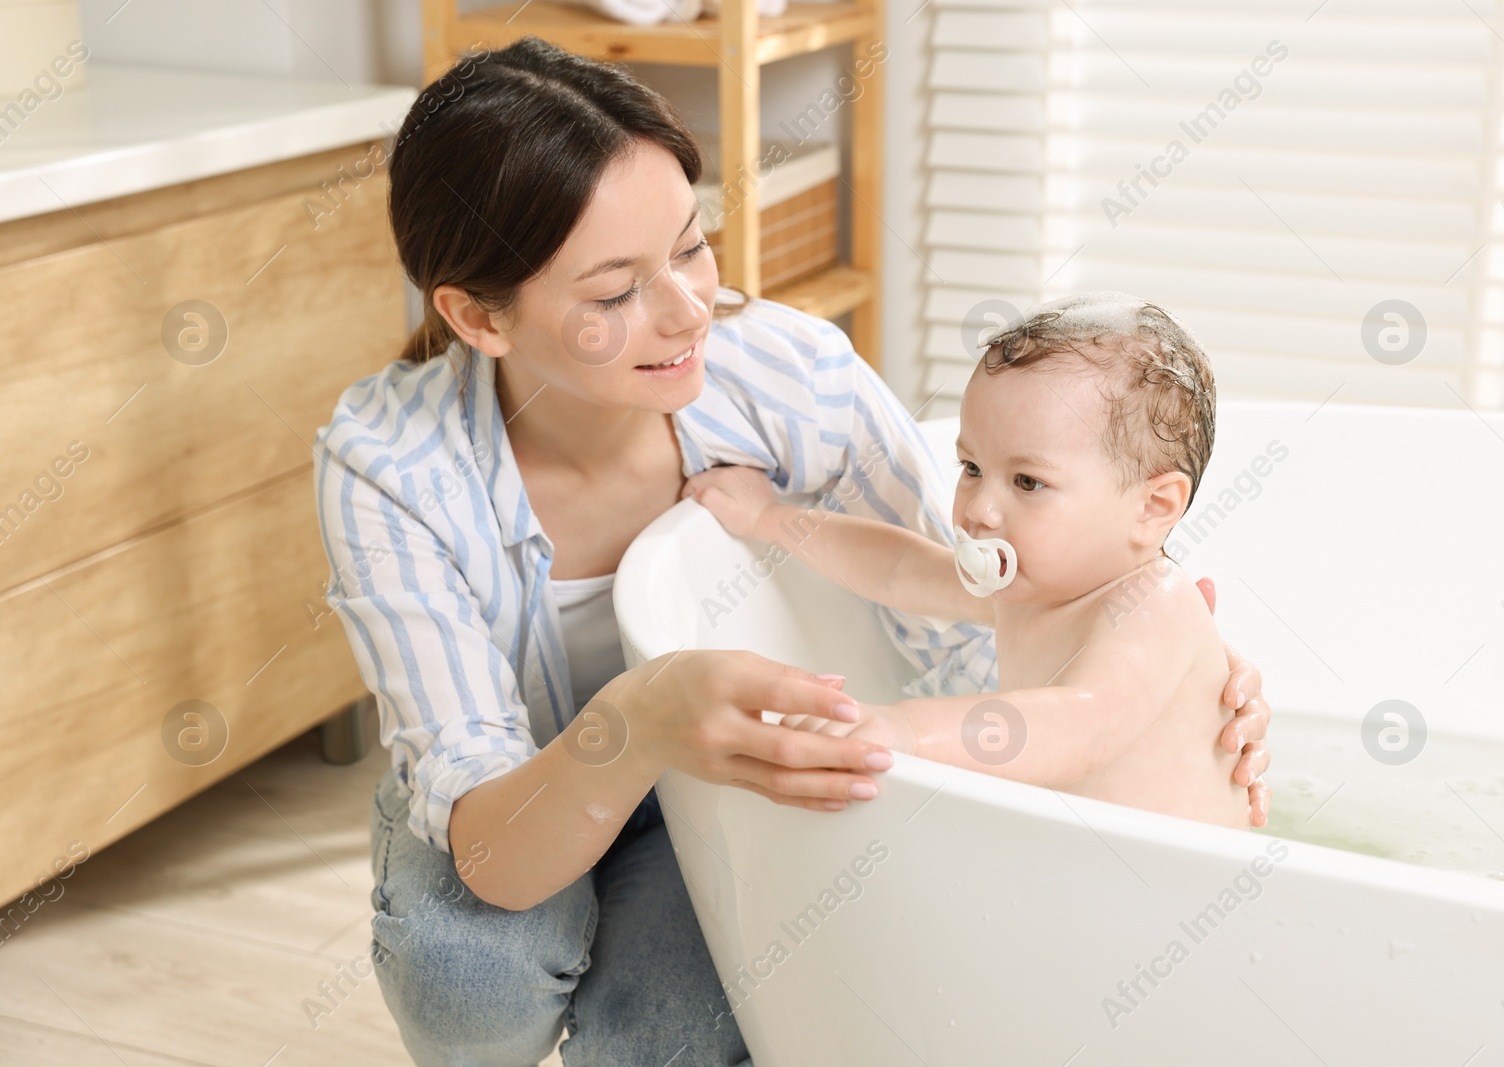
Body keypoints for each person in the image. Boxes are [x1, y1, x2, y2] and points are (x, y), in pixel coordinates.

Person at [312, 36, 1274, 1067]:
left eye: (690, 246)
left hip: (721, 790)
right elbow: (494, 852)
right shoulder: (392, 467)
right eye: (612, 292)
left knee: (661, 1044)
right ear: (474, 316)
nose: (690, 313)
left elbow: (966, 598)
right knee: (473, 985)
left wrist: (1165, 695)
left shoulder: (789, 374)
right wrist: (642, 716)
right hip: (524, 801)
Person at [688, 291, 1249, 828]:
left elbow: (1080, 725)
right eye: (972, 468)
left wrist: (904, 731)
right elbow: (898, 570)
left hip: (1182, 883)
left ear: (1153, 507)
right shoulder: (1033, 586)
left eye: (1028, 482)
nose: (980, 509)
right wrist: (772, 521)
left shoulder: (1154, 607)